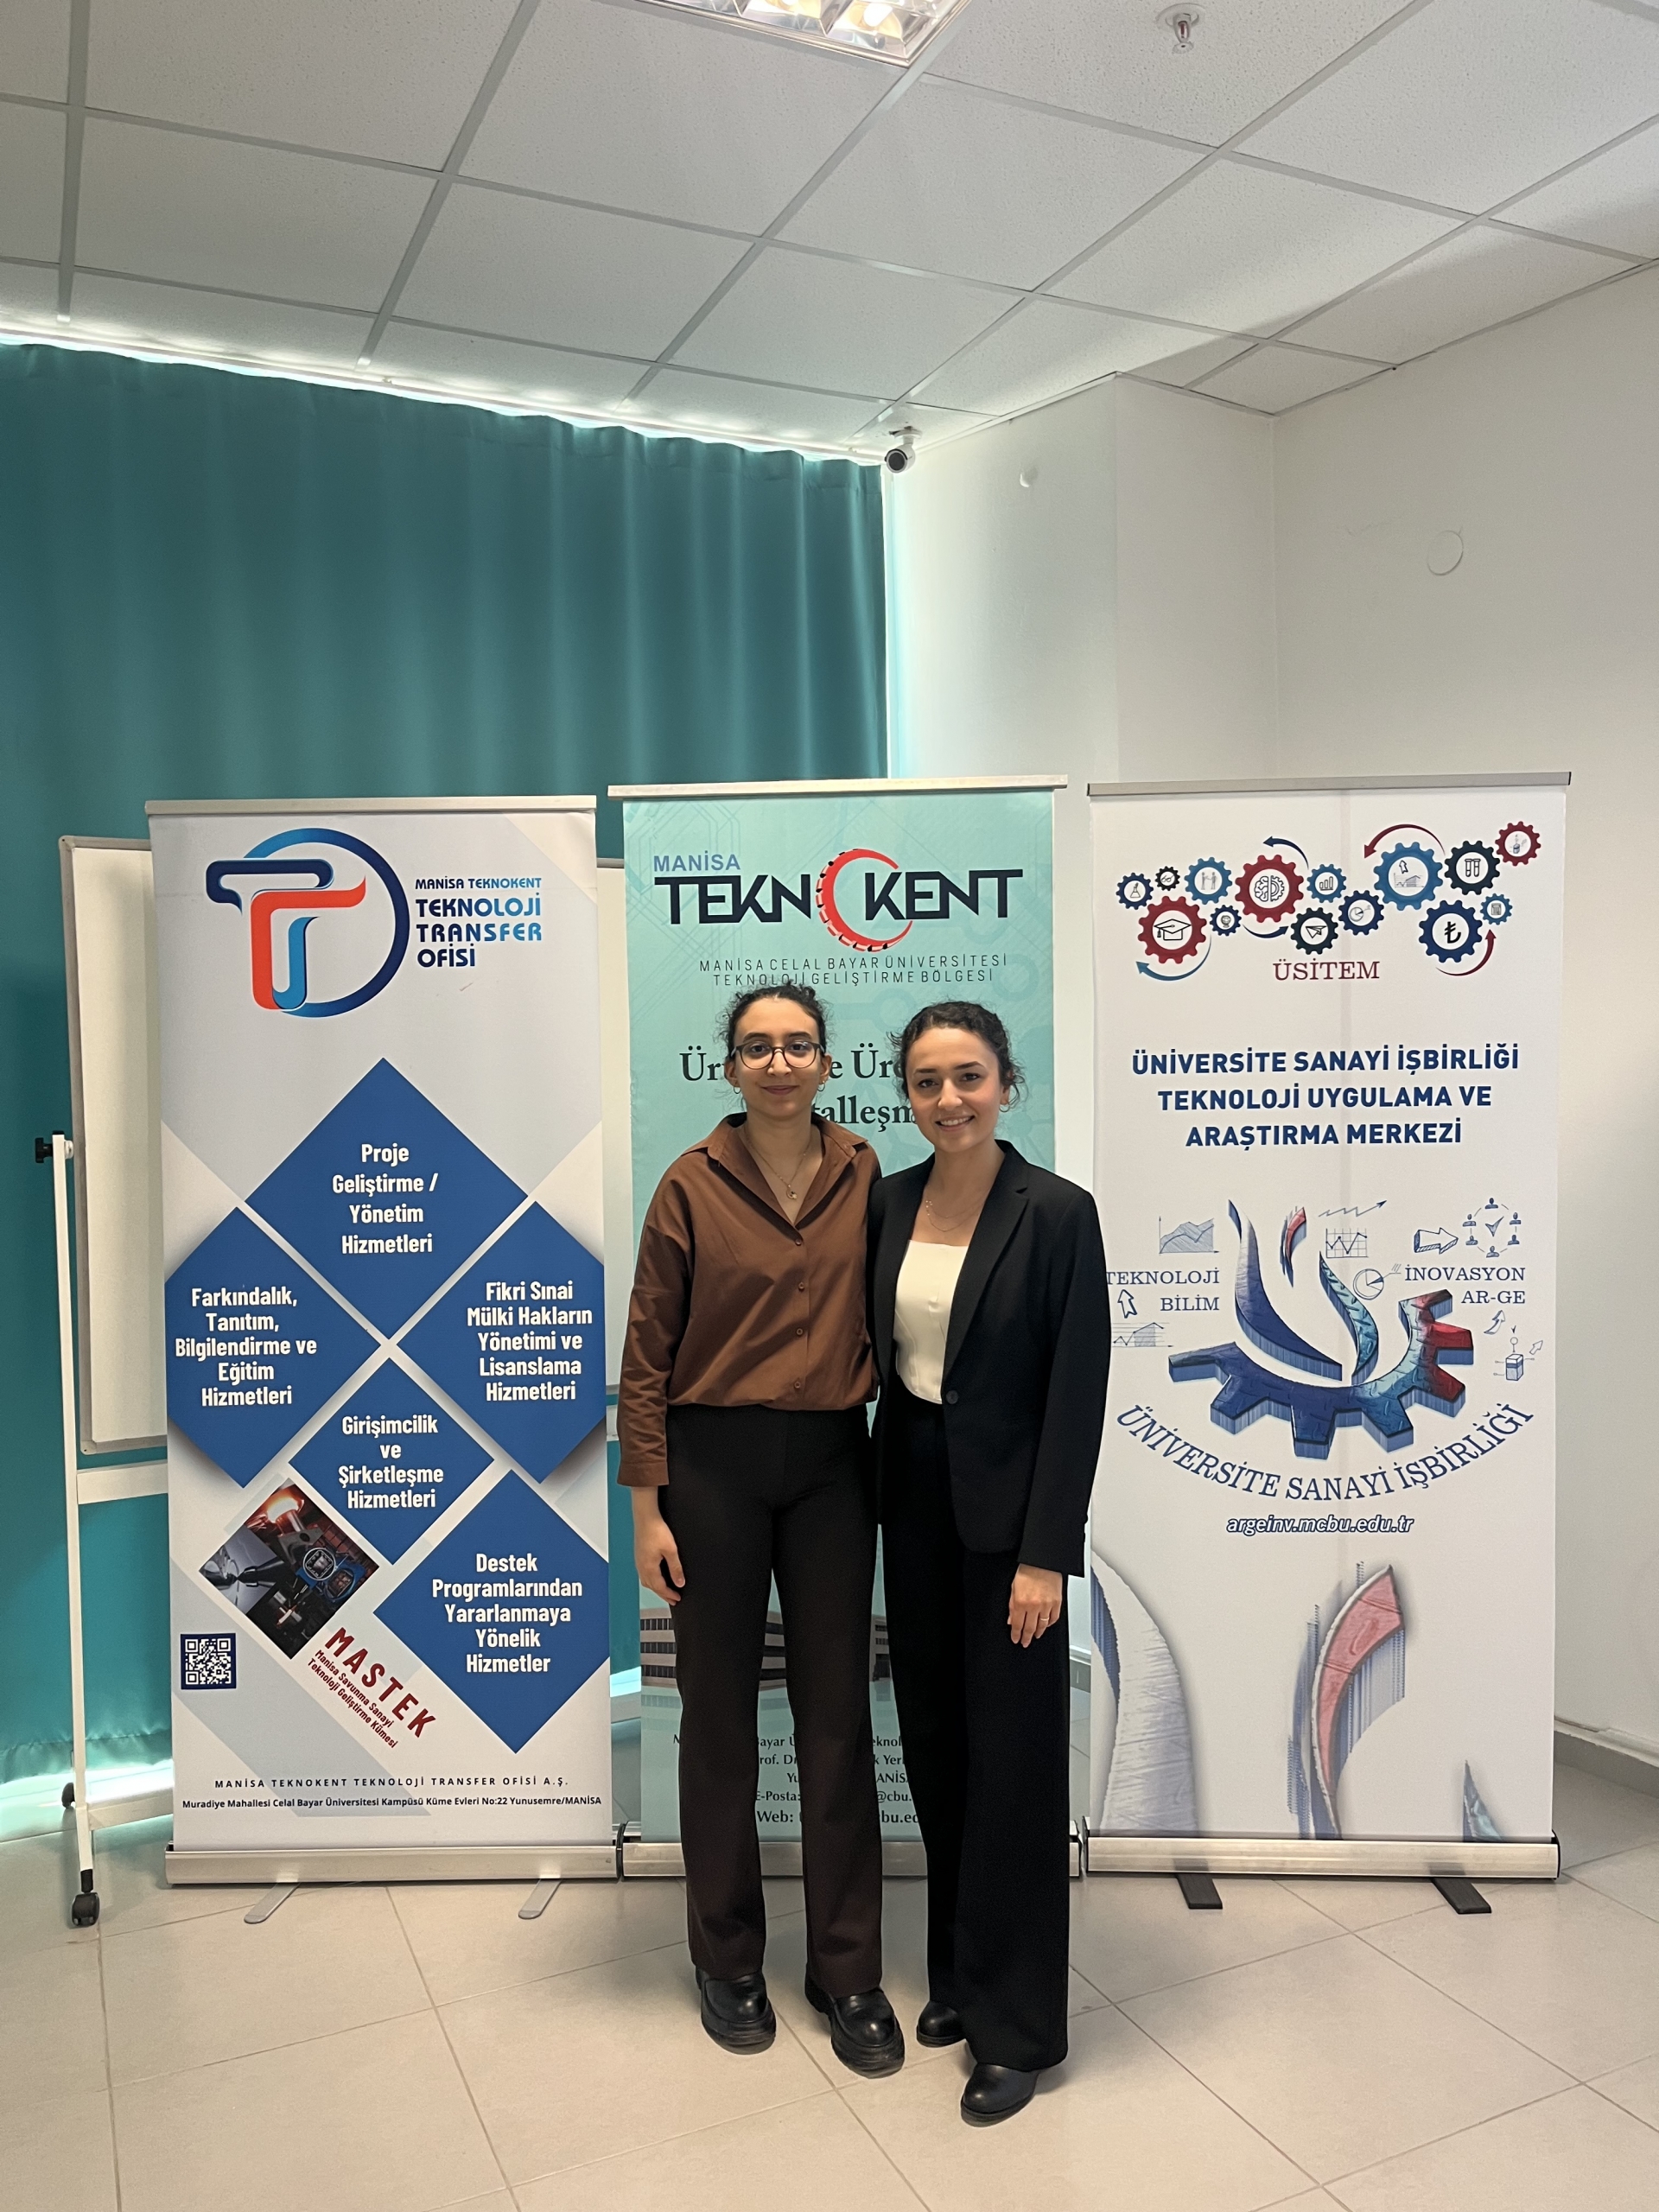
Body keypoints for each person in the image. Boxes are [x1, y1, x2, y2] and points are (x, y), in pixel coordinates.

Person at [618, 981, 902, 2075]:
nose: (779, 1063)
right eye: (757, 1046)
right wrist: (647, 1507)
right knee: (718, 1723)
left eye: (798, 1045)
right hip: (712, 1471)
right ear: (729, 1065)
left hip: (834, 1464)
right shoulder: (690, 1182)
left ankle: (848, 1968)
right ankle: (727, 1957)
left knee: (838, 1718)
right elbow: (648, 1353)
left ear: (827, 1063)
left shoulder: (865, 1172)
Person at [868, 1001, 1109, 2125]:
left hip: (1014, 1527)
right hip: (911, 1501)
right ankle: (960, 1974)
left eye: (967, 1076)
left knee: (1012, 1764)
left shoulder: (1056, 1212)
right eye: (927, 1081)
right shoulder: (888, 1202)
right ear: (907, 1095)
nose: (949, 1098)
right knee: (937, 1748)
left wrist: (1047, 1555)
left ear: (1006, 1082)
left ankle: (1018, 2028)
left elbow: (1077, 1390)